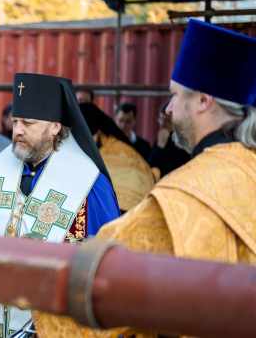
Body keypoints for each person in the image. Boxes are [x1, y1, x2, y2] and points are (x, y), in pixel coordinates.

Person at [35, 19, 256, 338]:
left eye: (175, 96)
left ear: (204, 101)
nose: (169, 109)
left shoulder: (186, 192)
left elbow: (102, 278)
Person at [0, 73, 120, 338]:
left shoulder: (89, 187)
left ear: (55, 127)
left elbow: (104, 278)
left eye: (28, 123)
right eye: (15, 121)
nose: (17, 131)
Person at [80, 102, 155, 212]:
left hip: (126, 209)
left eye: (128, 121)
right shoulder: (112, 145)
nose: (124, 125)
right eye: (121, 120)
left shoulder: (116, 150)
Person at [148, 99, 191, 177]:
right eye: (161, 119)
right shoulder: (162, 136)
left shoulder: (185, 139)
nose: (163, 123)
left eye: (167, 120)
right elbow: (151, 166)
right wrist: (159, 146)